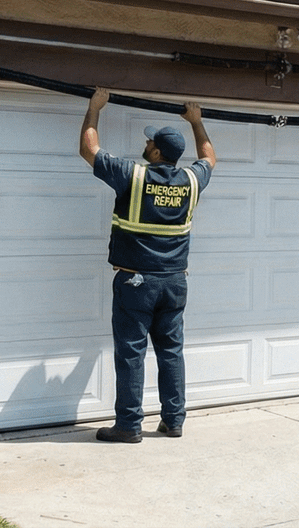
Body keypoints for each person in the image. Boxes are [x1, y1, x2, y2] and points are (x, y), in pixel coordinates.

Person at [79, 88, 216, 444]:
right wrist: (197, 122)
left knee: (131, 353)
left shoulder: (133, 176)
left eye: (149, 142)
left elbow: (88, 148)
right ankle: (173, 420)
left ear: (156, 151)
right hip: (174, 283)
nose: (146, 144)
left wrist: (95, 109)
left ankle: (128, 425)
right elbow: (210, 157)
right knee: (171, 351)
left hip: (136, 283)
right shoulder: (191, 180)